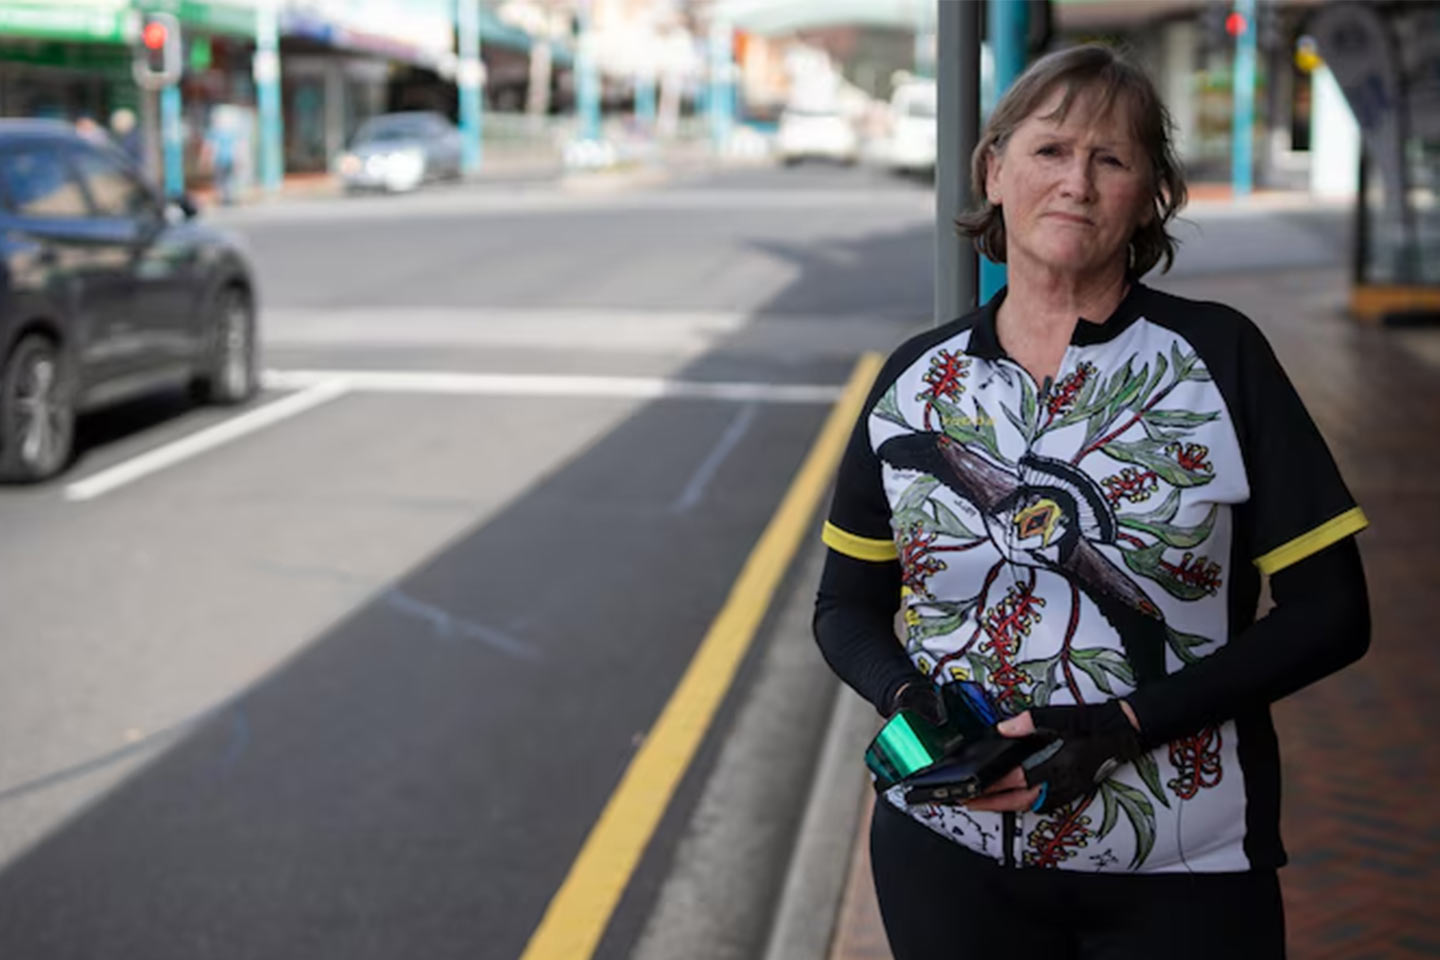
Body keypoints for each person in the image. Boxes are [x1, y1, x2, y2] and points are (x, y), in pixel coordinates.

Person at [814, 44, 1369, 960]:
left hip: (1180, 859)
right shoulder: (914, 383)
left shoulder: (1220, 360)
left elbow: (1334, 613)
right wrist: (912, 701)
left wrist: (1119, 729)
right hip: (947, 852)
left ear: (1149, 196)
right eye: (1050, 151)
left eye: (1110, 159)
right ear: (993, 172)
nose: (1076, 180)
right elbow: (845, 606)